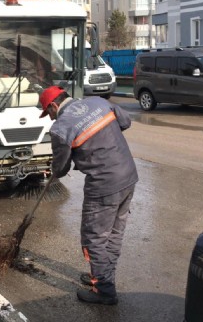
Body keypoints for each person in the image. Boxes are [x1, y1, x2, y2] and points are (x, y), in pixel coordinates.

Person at [39, 86, 138, 305]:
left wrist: (55, 170)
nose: (50, 118)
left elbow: (62, 168)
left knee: (94, 238)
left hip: (104, 185)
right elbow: (125, 122)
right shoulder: (99, 102)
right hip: (129, 175)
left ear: (54, 106)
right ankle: (103, 278)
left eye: (49, 113)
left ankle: (104, 290)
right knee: (113, 234)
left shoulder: (61, 128)